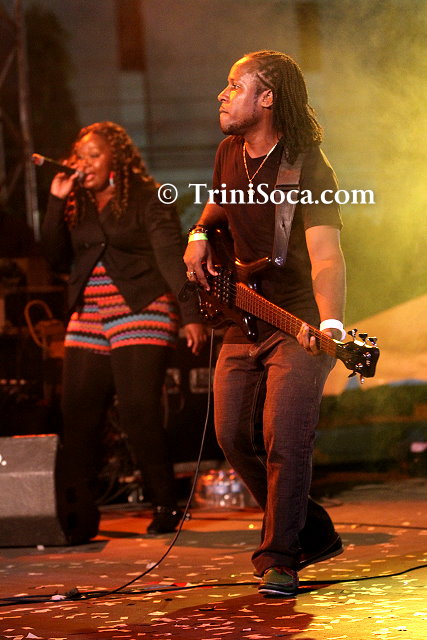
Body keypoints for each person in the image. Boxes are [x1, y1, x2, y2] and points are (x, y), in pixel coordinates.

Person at [184, 50, 346, 596]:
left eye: (235, 86)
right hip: (243, 316)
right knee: (232, 436)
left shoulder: (308, 167)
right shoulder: (228, 152)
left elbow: (327, 257)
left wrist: (332, 324)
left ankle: (280, 556)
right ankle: (313, 530)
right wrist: (198, 234)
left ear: (267, 98)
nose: (223, 95)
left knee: (285, 441)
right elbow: (217, 208)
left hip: (297, 322)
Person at [42, 121, 207, 536]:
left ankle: (165, 505)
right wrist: (56, 202)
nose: (84, 164)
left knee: (138, 411)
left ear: (115, 158)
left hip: (141, 306)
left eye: (94, 155)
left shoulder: (147, 197)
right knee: (77, 413)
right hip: (89, 312)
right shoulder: (76, 201)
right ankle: (79, 513)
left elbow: (170, 256)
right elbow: (55, 259)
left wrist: (190, 314)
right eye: (79, 156)